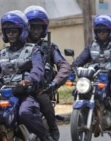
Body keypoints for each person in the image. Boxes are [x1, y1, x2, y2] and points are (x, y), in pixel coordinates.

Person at [0, 10, 53, 141]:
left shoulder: (33, 50)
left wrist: (29, 80)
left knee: (25, 112)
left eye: (14, 31)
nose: (10, 34)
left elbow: (38, 70)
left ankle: (46, 138)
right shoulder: (2, 53)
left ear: (22, 31)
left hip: (25, 94)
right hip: (4, 94)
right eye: (8, 31)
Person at [72, 14, 111, 127]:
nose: (101, 33)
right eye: (99, 31)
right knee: (78, 90)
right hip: (96, 75)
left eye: (104, 31)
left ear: (110, 31)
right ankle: (85, 115)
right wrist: (72, 66)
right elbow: (81, 58)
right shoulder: (92, 46)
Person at [24, 5, 71, 141]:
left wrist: (53, 84)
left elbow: (64, 66)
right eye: (32, 27)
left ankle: (53, 128)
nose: (35, 31)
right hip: (18, 87)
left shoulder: (49, 47)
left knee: (42, 97)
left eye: (39, 27)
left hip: (41, 88)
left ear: (44, 29)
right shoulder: (17, 46)